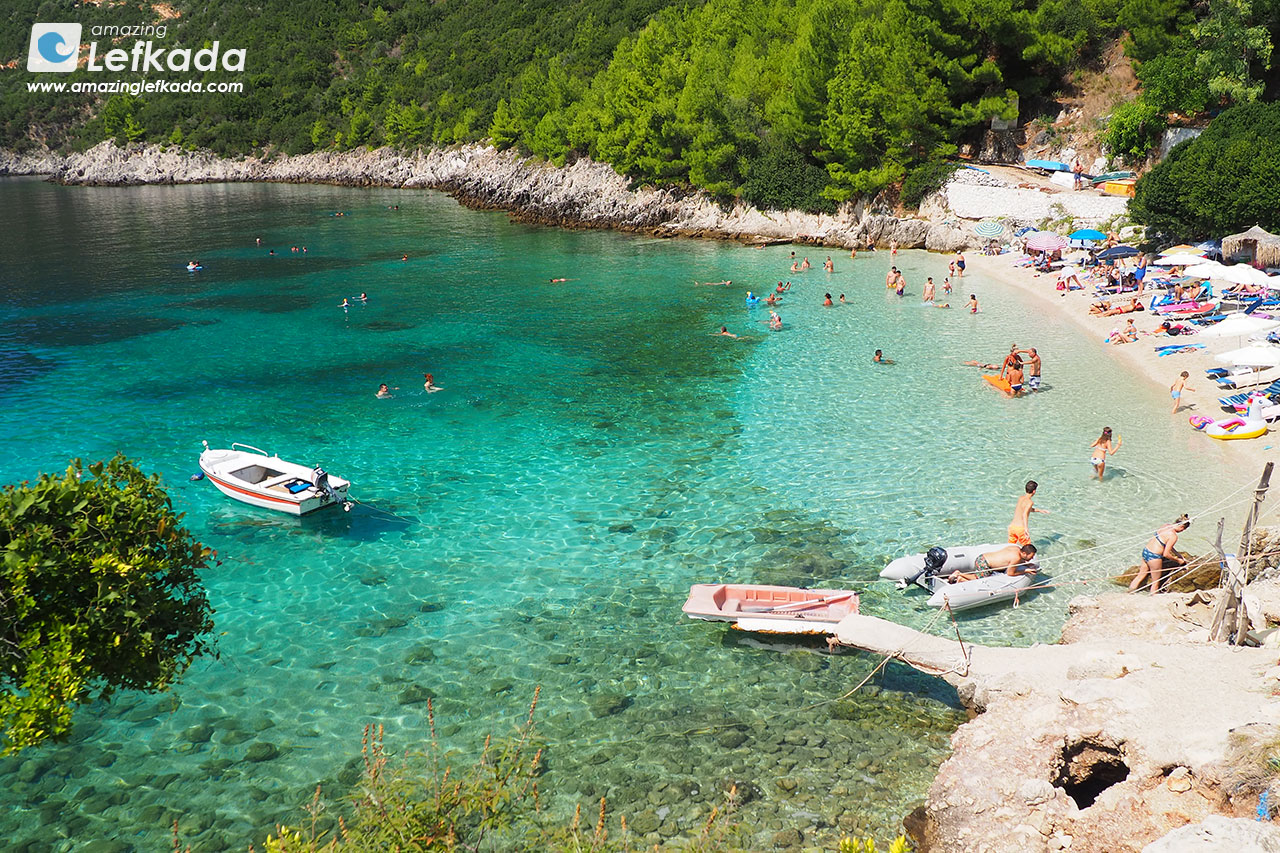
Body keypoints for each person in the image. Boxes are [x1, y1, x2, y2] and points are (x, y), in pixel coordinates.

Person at [1131, 515, 1191, 595]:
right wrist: (1178, 560)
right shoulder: (1173, 536)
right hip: (1154, 557)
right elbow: (1166, 554)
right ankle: (1153, 599)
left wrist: (1177, 554)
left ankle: (1128, 593)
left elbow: (1164, 543)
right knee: (1156, 582)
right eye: (1183, 529)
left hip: (1146, 551)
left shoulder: (1165, 526)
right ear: (1182, 526)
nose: (1182, 531)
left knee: (1140, 576)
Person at [949, 543, 1038, 582]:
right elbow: (1011, 573)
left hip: (982, 557)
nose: (1032, 558)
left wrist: (1026, 563)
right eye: (1031, 556)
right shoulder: (1016, 558)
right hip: (984, 563)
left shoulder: (1015, 549)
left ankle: (962, 579)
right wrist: (1026, 570)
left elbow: (1009, 560)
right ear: (1024, 553)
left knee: (982, 575)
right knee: (981, 579)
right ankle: (959, 574)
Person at [1008, 480, 1048, 546]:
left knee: (1010, 546)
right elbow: (1025, 514)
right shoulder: (1030, 502)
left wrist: (1040, 510)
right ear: (1034, 491)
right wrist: (1026, 529)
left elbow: (1024, 509)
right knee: (1027, 548)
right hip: (1020, 529)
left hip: (1012, 527)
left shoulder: (1020, 498)